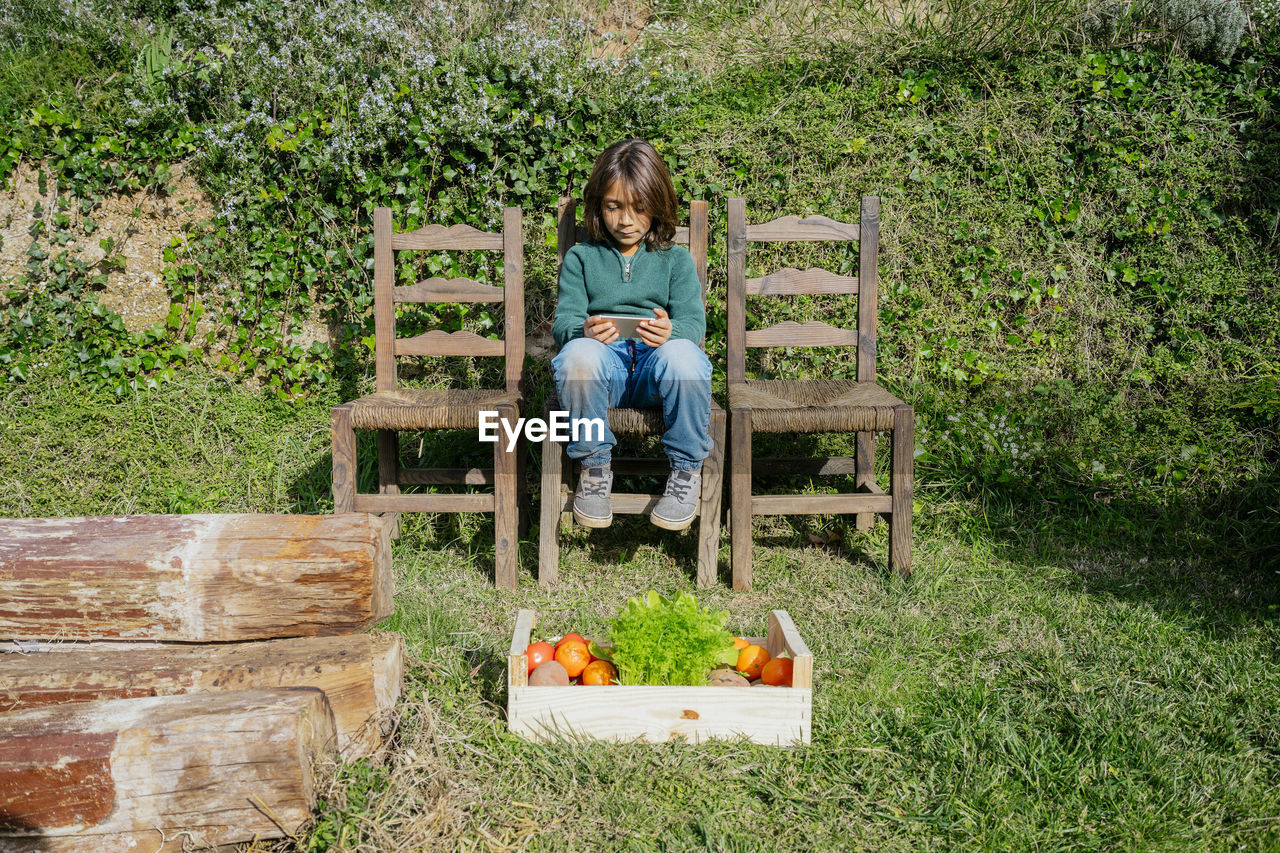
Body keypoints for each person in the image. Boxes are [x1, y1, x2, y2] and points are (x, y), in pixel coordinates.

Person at [551, 138, 713, 531]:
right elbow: (563, 324)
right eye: (613, 207)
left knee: (687, 357)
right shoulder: (581, 258)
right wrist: (583, 330)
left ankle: (686, 474)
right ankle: (593, 469)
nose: (626, 220)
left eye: (639, 208)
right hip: (607, 373)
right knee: (576, 357)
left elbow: (694, 323)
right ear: (598, 206)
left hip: (658, 371)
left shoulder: (674, 260)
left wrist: (673, 332)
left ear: (656, 205)